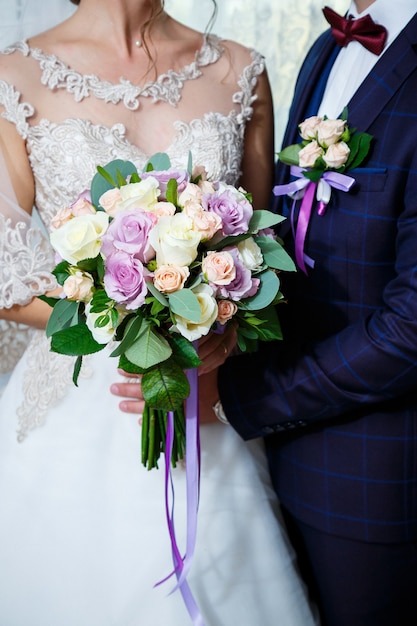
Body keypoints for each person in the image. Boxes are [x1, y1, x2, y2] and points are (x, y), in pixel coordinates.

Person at [0, 1, 320, 624]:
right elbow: (4, 274)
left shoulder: (240, 69)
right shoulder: (14, 76)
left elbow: (262, 256)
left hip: (206, 401)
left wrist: (217, 329)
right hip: (73, 403)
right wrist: (128, 313)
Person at [214, 1, 417, 625]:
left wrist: (235, 395)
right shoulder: (326, 49)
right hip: (285, 459)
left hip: (378, 479)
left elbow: (411, 330)